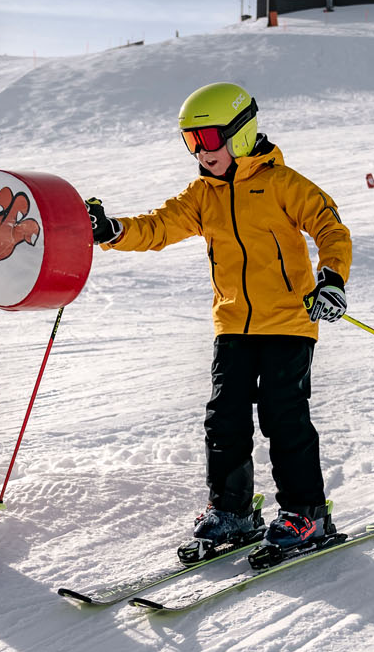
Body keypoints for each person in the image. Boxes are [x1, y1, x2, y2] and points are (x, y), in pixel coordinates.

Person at [86, 82, 352, 569]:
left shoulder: (283, 184)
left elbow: (331, 228)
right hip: (232, 323)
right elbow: (159, 226)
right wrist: (112, 232)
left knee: (282, 415)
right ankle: (234, 511)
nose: (200, 153)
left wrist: (330, 279)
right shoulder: (202, 195)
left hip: (289, 322)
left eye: (208, 139)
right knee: (224, 418)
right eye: (191, 142)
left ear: (241, 134)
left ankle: (307, 512)